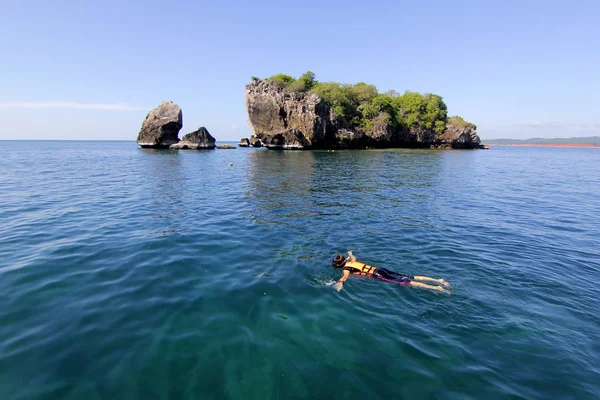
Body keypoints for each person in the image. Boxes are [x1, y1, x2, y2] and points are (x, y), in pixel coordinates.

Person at [332, 251, 451, 294]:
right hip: (380, 269)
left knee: (407, 282)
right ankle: (438, 280)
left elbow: (345, 276)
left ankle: (436, 288)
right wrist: (350, 254)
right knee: (410, 276)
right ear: (345, 260)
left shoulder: (346, 269)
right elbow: (353, 258)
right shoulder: (351, 262)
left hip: (379, 275)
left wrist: (340, 283)